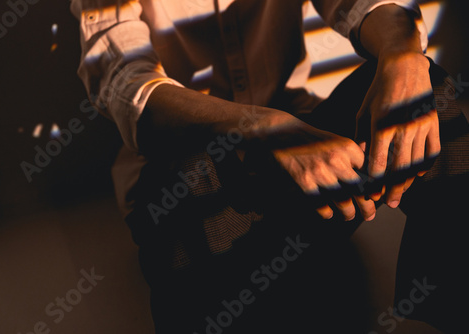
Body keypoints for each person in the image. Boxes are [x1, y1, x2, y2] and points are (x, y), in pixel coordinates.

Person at [70, 0, 469, 332]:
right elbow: (125, 83)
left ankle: (454, 306)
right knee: (194, 182)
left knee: (425, 89)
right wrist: (261, 127)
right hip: (193, 184)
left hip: (305, 158)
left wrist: (403, 57)